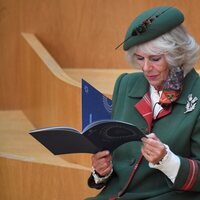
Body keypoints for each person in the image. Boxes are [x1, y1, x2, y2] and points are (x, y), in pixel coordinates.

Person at [86, 6, 200, 200]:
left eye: (155, 59)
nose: (146, 68)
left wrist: (167, 160)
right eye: (140, 58)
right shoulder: (125, 84)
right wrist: (101, 171)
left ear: (177, 55)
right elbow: (120, 160)